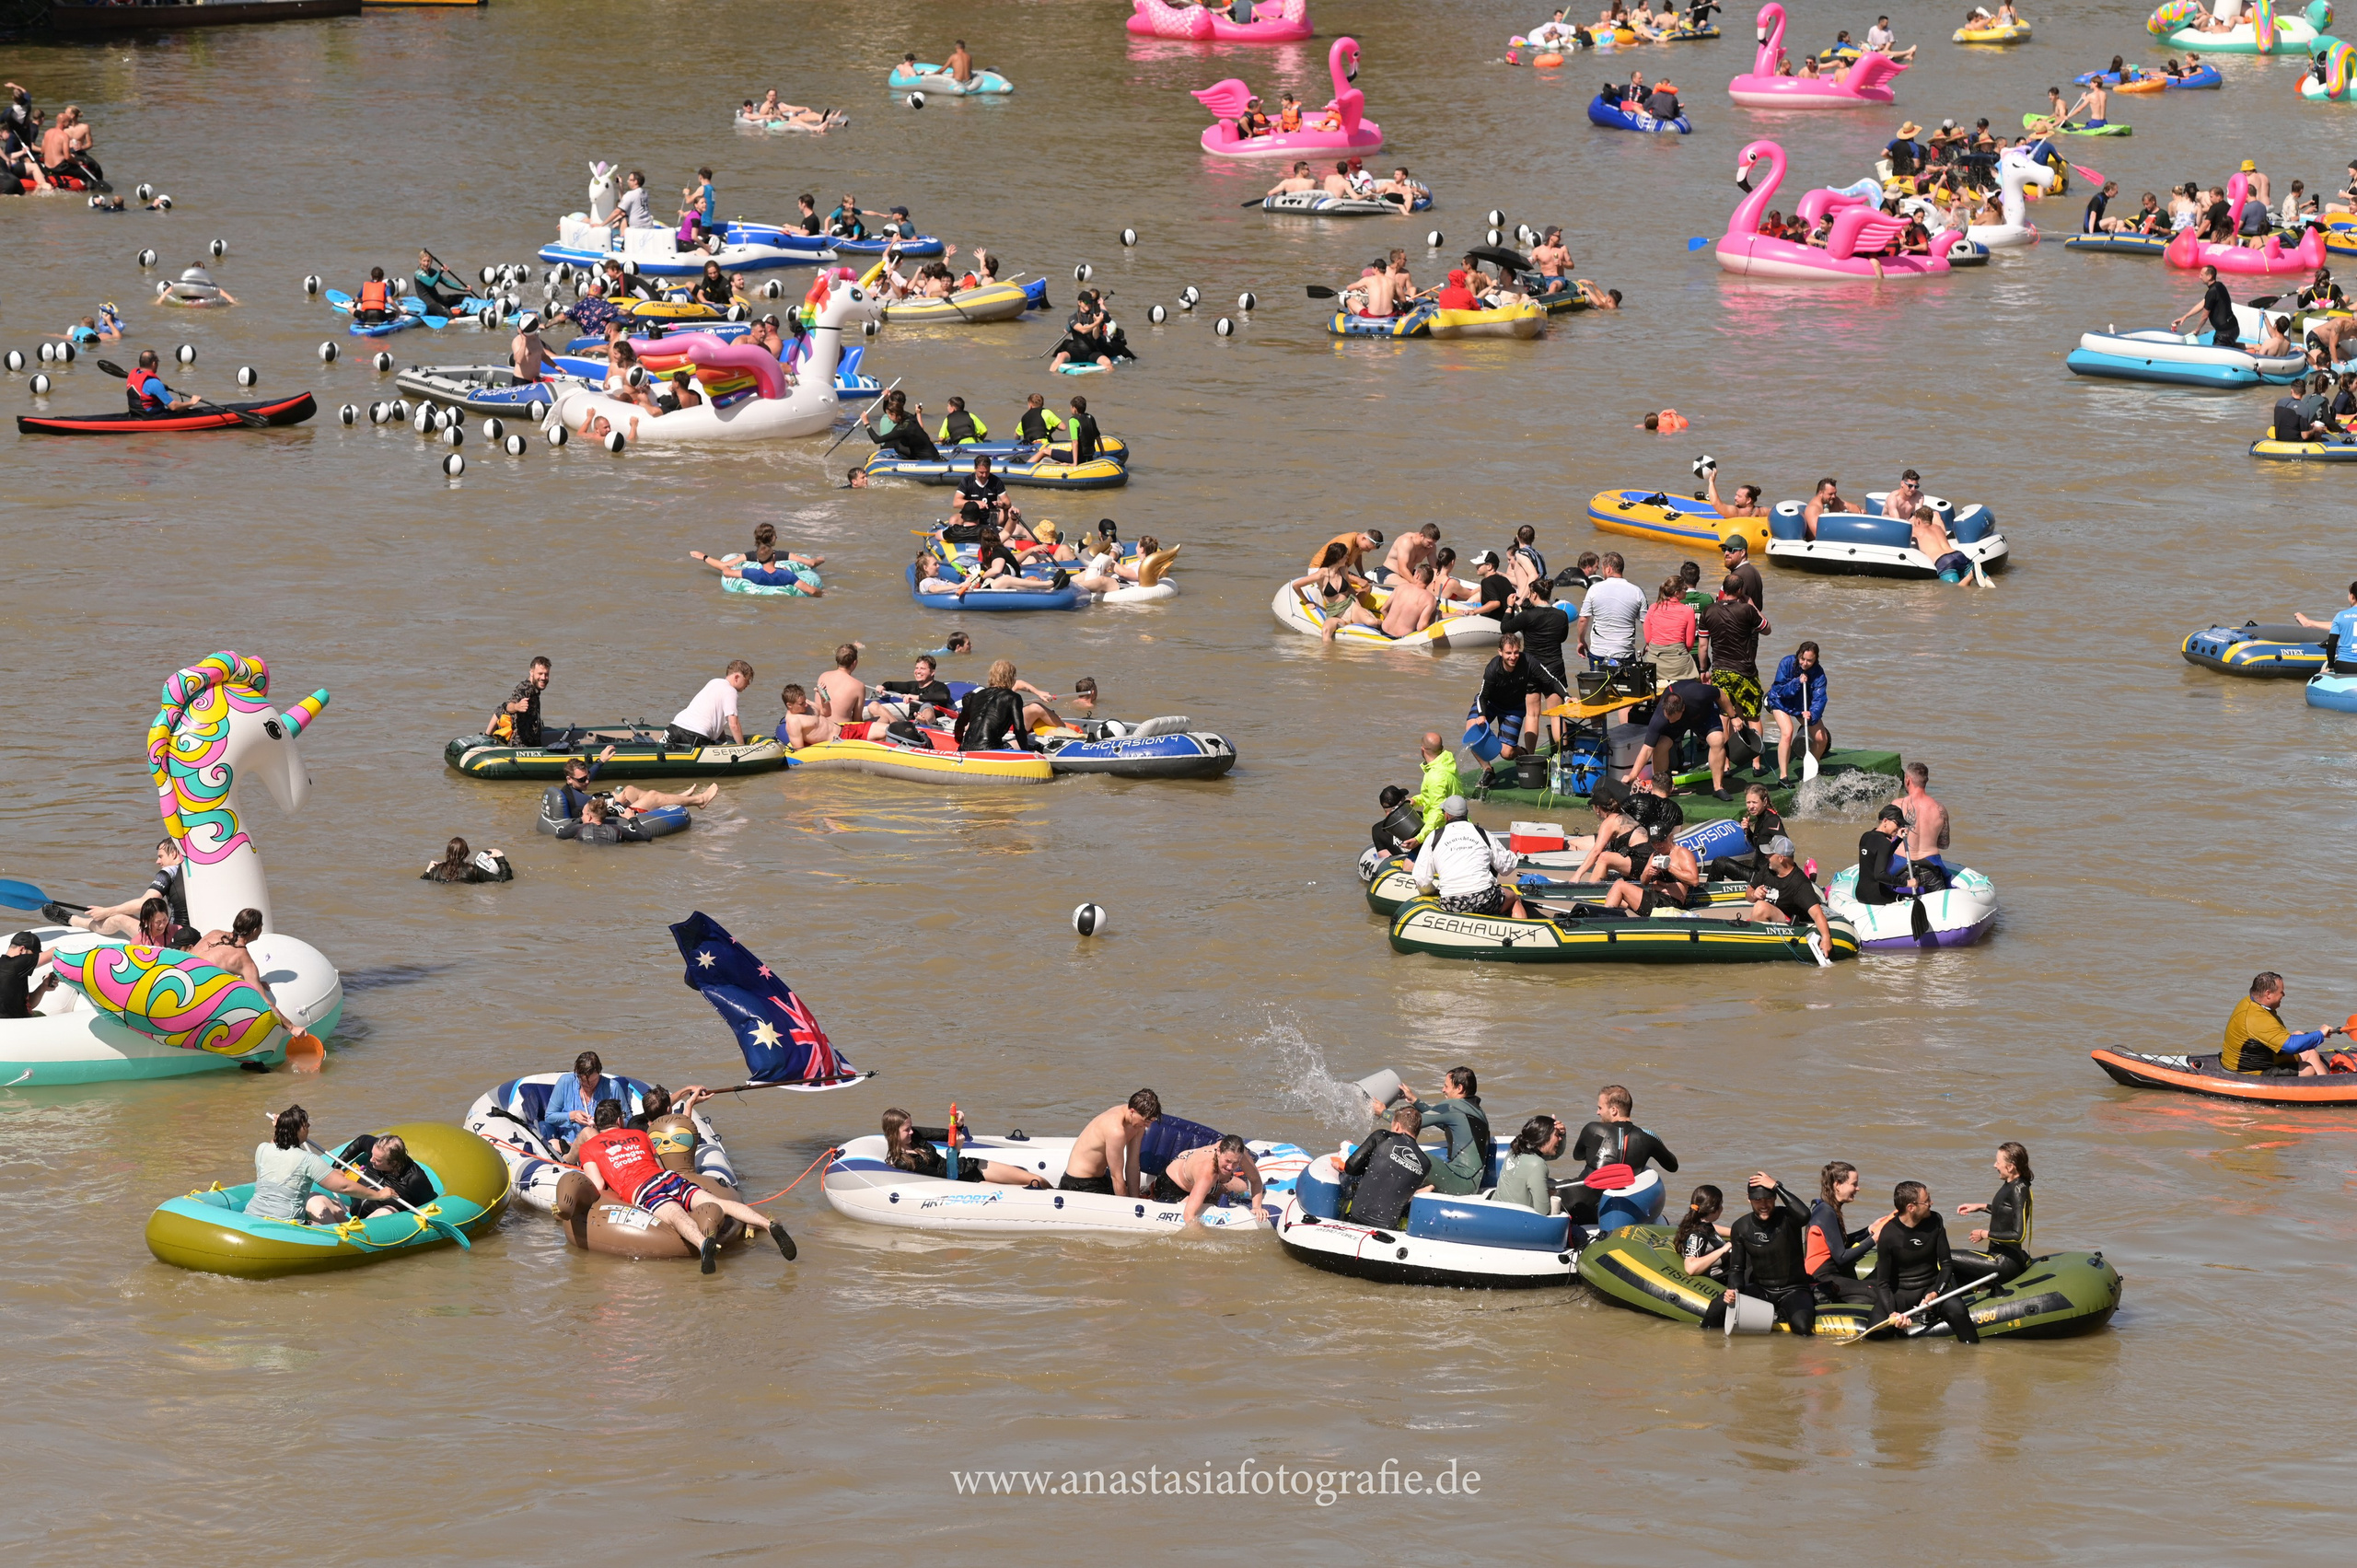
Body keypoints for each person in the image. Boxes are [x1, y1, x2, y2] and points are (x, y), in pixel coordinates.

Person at [575, 1099, 795, 1271]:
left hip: (642, 1189)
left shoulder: (589, 1147)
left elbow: (598, 1184)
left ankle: (702, 1244)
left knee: (675, 1215)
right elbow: (659, 1164)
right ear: (620, 1122)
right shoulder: (640, 1135)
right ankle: (767, 1225)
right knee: (719, 1202)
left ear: (598, 1123)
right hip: (668, 1178)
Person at [247, 1106, 399, 1225]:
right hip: (287, 1222)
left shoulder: (263, 1148)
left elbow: (276, 1141)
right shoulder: (307, 1159)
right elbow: (344, 1187)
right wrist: (379, 1195)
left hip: (252, 1215)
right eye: (306, 1125)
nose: (309, 1126)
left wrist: (279, 1127)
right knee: (318, 1226)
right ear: (297, 1131)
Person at [1705, 1177, 1817, 1335]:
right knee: (1714, 1309)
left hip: (1794, 1290)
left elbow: (1805, 1215)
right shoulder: (1741, 1227)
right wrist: (1734, 1289)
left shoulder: (1788, 1218)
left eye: (1768, 1199)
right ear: (1748, 1199)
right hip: (1761, 1290)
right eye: (1758, 1200)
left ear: (1775, 1198)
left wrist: (1776, 1186)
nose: (1764, 1205)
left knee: (1803, 1328)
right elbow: (1737, 1269)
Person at [1870, 1181, 1980, 1342]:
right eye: (1927, 1200)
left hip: (1931, 1286)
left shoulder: (1935, 1221)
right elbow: (1883, 1283)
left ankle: (1971, 1359)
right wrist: (1893, 1313)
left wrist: (1935, 1292)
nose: (1931, 1203)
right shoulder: (1889, 1234)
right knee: (1875, 1336)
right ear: (1911, 1207)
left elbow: (1947, 1264)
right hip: (1900, 1293)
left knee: (1958, 1310)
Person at [1566, 1085, 1678, 1222]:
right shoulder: (1649, 1137)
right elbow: (1673, 1166)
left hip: (1578, 1205)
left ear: (1614, 1110)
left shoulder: (1593, 1129)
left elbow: (1577, 1156)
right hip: (1617, 1211)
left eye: (1600, 1108)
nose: (1597, 1112)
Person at [1412, 796, 1524, 917]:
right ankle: (1522, 929)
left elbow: (1421, 880)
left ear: (1446, 815)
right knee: (1514, 898)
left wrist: (1432, 891)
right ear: (1466, 813)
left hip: (1451, 903)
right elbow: (1507, 866)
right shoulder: (1482, 833)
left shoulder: (1434, 837)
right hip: (1485, 899)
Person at [881, 1108, 1049, 1187]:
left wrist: (958, 1126)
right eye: (906, 1130)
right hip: (962, 1183)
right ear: (893, 1133)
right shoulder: (904, 1162)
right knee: (1029, 1188)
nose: (912, 1131)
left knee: (1035, 1179)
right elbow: (947, 1176)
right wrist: (956, 1149)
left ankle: (1065, 1192)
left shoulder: (915, 1135)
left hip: (967, 1166)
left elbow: (945, 1135)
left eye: (911, 1127)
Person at [64, 838, 192, 941]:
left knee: (119, 918)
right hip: (199, 935)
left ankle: (76, 921)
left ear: (174, 854)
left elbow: (144, 904)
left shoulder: (169, 871)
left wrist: (107, 911)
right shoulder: (198, 871)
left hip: (176, 938)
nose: (157, 861)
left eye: (161, 856)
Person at [1629, 678, 1736, 800]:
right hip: (1679, 724)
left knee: (1717, 739)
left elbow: (1720, 693)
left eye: (1671, 718)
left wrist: (1734, 716)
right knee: (1660, 744)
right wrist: (1633, 775)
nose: (1668, 721)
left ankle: (1718, 788)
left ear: (1682, 709)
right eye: (1667, 717)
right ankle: (1660, 788)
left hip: (1702, 713)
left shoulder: (1698, 693)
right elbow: (1647, 748)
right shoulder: (1661, 717)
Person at [2221, 971, 2346, 1075]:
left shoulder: (2251, 1002)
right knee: (2308, 1069)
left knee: (2305, 1043)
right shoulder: (2256, 1018)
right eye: (2281, 992)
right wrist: (2319, 1034)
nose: (2284, 995)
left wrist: (2314, 1037)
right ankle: (2324, 1091)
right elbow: (2291, 1046)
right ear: (2268, 994)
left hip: (2260, 1056)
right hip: (2248, 1072)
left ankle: (2325, 1083)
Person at [1806, 1159, 1890, 1306]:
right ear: (1837, 1185)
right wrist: (1874, 1239)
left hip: (1829, 1275)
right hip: (1821, 1278)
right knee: (1875, 1292)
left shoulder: (1828, 1208)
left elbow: (1839, 1242)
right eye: (1854, 1184)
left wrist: (1869, 1230)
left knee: (1874, 1290)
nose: (1858, 1188)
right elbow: (1842, 1257)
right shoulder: (1826, 1213)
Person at [1954, 1141, 2035, 1286]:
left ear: (2010, 1167)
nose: (1995, 1165)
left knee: (1945, 1257)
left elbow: (2018, 1235)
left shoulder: (2018, 1189)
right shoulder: (2011, 1184)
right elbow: (2006, 1211)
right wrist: (1981, 1207)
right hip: (1997, 1255)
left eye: (1998, 1162)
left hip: (2004, 1262)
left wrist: (1984, 1234)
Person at [1341, 1100, 1433, 1227]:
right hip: (1388, 1227)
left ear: (1397, 1126)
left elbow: (1350, 1167)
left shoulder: (1382, 1137)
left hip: (1356, 1217)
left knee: (1345, 1178)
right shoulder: (1425, 1164)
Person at [1403, 1067, 1492, 1196]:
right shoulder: (1477, 1110)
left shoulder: (1452, 1105)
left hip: (1460, 1183)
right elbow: (1442, 1120)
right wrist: (1414, 1100)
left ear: (1459, 1088)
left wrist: (1383, 1112)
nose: (1443, 1090)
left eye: (1446, 1086)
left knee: (1406, 1151)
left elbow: (1409, 1123)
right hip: (1470, 1183)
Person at [1059, 1089, 1164, 1195]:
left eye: (1151, 1121)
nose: (1148, 1126)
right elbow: (1117, 1177)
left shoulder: (1137, 1123)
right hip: (1079, 1183)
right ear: (1132, 1112)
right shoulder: (1116, 1131)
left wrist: (1135, 1199)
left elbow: (1133, 1164)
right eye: (1146, 1121)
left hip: (1102, 1177)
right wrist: (1128, 1207)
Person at [1744, 835, 1834, 957]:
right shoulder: (1768, 869)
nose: (1766, 857)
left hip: (1791, 925)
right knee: (1759, 907)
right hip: (1772, 919)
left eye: (1770, 854)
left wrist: (1826, 937)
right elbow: (1748, 893)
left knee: (1761, 907)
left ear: (1781, 858)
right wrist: (1753, 894)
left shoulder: (1799, 883)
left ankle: (1754, 948)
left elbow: (1817, 913)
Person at [555, 750, 716, 818]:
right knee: (653, 795)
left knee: (630, 789)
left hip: (604, 805)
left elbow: (587, 777)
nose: (587, 781)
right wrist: (618, 802)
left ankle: (676, 798)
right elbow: (598, 816)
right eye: (582, 780)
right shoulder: (576, 802)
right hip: (614, 816)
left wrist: (600, 761)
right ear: (569, 779)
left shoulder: (573, 786)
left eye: (587, 776)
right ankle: (699, 801)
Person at [1152, 1134, 1268, 1225]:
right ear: (1218, 1151)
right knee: (1206, 1205)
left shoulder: (1238, 1152)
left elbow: (1256, 1180)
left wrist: (1257, 1207)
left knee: (1243, 1188)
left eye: (1236, 1163)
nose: (1231, 1167)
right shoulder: (1208, 1171)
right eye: (1227, 1161)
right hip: (1172, 1185)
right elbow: (1188, 1216)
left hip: (1198, 1176)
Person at [334, 1132, 439, 1221]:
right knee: (318, 1200)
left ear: (393, 1163)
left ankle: (358, 1236)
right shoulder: (379, 1152)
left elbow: (431, 1205)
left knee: (386, 1210)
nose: (371, 1160)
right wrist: (336, 1166)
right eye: (372, 1155)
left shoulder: (414, 1179)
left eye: (378, 1160)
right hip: (352, 1215)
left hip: (381, 1224)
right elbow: (362, 1140)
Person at [1764, 641, 1829, 783]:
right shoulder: (1786, 663)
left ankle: (1813, 767)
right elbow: (1780, 690)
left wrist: (1812, 713)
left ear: (1816, 659)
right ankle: (1783, 776)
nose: (1805, 663)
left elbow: (1820, 698)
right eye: (1802, 658)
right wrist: (1797, 682)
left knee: (1821, 738)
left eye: (1809, 660)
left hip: (1802, 706)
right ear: (1798, 655)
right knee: (1787, 732)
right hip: (1780, 701)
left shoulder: (1819, 674)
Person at [954, 660, 1045, 752]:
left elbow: (959, 724)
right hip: (990, 750)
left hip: (964, 748)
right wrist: (1026, 752)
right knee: (1028, 744)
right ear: (1011, 678)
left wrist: (959, 740)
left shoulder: (975, 696)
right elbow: (1019, 729)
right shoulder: (1013, 697)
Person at [1574, 552, 1647, 666]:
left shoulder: (1594, 589)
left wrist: (1581, 641)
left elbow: (1583, 619)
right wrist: (1648, 644)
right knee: (1626, 683)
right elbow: (1646, 622)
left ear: (1608, 569)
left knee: (1600, 684)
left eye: (1603, 569)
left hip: (1599, 653)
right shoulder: (1637, 591)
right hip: (1625, 653)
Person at [188, 908, 273, 1002]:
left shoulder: (214, 933)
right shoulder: (244, 959)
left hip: (178, 977)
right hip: (193, 997)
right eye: (261, 926)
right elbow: (264, 1002)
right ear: (255, 930)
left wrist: (252, 981)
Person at [1891, 761, 1953, 889]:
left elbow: (1887, 841)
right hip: (1931, 869)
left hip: (1901, 868)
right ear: (1926, 781)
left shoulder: (1896, 805)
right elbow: (1944, 844)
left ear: (1907, 780)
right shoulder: (1940, 809)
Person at [1400, 730, 1463, 852]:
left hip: (1443, 832)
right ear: (1442, 748)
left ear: (1422, 749)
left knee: (1409, 865)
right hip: (1459, 824)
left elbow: (1438, 812)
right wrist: (1416, 800)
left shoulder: (1435, 776)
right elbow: (1437, 796)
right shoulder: (1447, 764)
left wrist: (1419, 839)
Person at [1492, 1115, 1566, 1215]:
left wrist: (1563, 1134)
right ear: (1544, 1136)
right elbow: (1543, 1211)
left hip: (1495, 1210)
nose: (1560, 1138)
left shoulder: (1515, 1151)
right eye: (1557, 1135)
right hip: (1517, 1221)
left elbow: (1556, 1153)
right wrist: (1549, 1194)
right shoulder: (1537, 1164)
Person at [668, 660, 753, 747]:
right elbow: (733, 725)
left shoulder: (714, 682)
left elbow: (714, 722)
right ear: (736, 677)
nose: (748, 683)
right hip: (696, 735)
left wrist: (724, 740)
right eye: (747, 679)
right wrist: (743, 747)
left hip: (674, 728)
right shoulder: (730, 691)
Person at [1854, 804, 1917, 905]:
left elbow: (1881, 856)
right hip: (1876, 896)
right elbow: (1880, 875)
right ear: (1885, 821)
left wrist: (1898, 839)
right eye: (1898, 823)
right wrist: (1907, 883)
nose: (1899, 828)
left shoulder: (1866, 836)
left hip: (1860, 893)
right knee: (1913, 898)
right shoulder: (1884, 843)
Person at [1641, 576, 1700, 681]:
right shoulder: (1688, 611)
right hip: (1679, 664)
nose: (1686, 591)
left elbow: (1648, 639)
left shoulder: (1653, 608)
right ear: (1677, 593)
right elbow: (1689, 644)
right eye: (1684, 589)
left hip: (1656, 662)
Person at [484, 656, 552, 746]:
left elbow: (500, 709)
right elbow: (507, 706)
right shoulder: (524, 688)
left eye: (546, 674)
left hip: (533, 745)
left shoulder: (535, 690)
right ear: (531, 672)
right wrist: (516, 706)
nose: (543, 677)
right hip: (521, 747)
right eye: (540, 673)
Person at [1674, 1186, 1733, 1283]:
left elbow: (1713, 1229)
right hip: (1723, 1277)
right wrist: (1724, 1249)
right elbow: (1690, 1268)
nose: (1722, 1208)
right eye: (1721, 1204)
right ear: (1714, 1209)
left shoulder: (1697, 1222)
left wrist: (1738, 1231)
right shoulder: (1696, 1236)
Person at [2172, 264, 2239, 348]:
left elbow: (2205, 316)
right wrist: (2185, 317)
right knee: (2230, 345)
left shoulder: (2212, 292)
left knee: (2214, 356)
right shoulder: (2219, 285)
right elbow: (2203, 303)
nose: (2199, 277)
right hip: (2234, 328)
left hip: (2225, 333)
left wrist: (2197, 330)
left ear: (2209, 276)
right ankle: (2254, 347)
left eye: (2202, 275)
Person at [865, 389, 942, 462]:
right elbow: (888, 409)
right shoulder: (910, 417)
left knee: (897, 444)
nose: (887, 417)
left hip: (926, 460)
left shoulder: (902, 429)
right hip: (934, 454)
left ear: (894, 415)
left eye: (888, 415)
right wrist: (886, 399)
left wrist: (866, 423)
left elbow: (877, 440)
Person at [0, 931, 58, 1020]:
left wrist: (43, 987)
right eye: (32, 956)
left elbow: (28, 1004)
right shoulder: (17, 964)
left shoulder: (11, 969)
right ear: (22, 950)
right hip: (16, 1025)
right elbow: (55, 951)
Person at [122, 348, 199, 413]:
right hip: (150, 416)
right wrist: (192, 402)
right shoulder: (154, 383)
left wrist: (160, 388)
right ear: (154, 363)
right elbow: (173, 406)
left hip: (135, 412)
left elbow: (144, 389)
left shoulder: (132, 374)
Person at [422, 835, 510, 884]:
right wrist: (500, 856)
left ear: (447, 853)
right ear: (466, 853)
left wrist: (428, 871)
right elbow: (505, 878)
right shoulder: (473, 870)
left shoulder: (436, 870)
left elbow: (422, 881)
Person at [1798, 476, 1853, 541]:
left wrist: (1861, 512)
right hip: (1818, 544)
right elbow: (1819, 534)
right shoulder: (1813, 509)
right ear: (1821, 493)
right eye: (1830, 494)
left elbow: (1851, 507)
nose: (1834, 496)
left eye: (1835, 493)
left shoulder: (1834, 501)